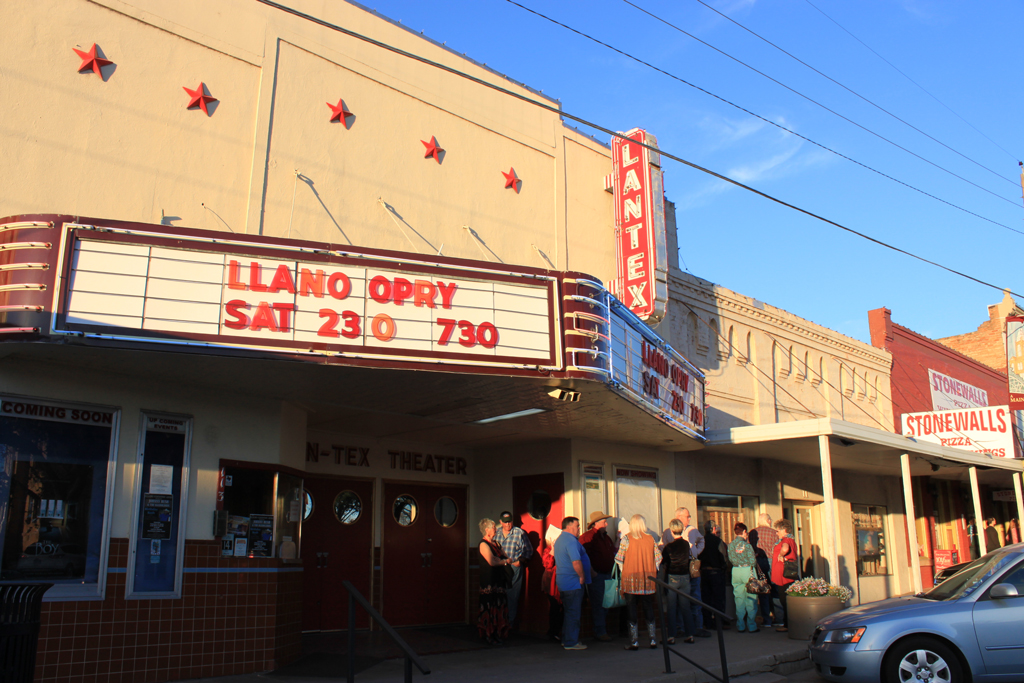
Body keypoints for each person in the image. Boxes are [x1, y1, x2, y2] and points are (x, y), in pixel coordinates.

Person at [615, 514, 663, 650]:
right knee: (648, 607)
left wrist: (625, 570)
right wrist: (652, 569)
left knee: (631, 608)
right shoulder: (650, 539)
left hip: (630, 580)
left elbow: (619, 559)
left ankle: (634, 641)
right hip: (648, 580)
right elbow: (658, 558)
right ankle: (653, 639)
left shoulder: (626, 538)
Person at [661, 507, 709, 637]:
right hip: (676, 570)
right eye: (687, 516)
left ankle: (696, 627)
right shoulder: (668, 532)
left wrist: (696, 552)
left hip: (691, 566)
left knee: (695, 597)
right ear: (679, 517)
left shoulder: (692, 530)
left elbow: (702, 540)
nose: (689, 519)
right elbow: (663, 547)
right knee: (678, 602)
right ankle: (680, 628)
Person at [579, 510, 616, 641]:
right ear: (596, 523)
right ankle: (600, 631)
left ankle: (602, 630)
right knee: (599, 604)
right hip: (597, 576)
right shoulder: (588, 537)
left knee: (606, 603)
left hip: (607, 576)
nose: (606, 524)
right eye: (604, 522)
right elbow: (583, 556)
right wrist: (591, 571)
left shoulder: (606, 538)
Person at [553, 516, 588, 650]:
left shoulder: (560, 540)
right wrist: (582, 576)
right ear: (568, 526)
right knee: (573, 612)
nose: (579, 529)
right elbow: (576, 561)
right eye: (577, 526)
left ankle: (566, 639)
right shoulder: (571, 541)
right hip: (573, 582)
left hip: (564, 582)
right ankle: (571, 642)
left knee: (568, 612)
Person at [494, 510, 533, 628]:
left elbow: (529, 550)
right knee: (499, 595)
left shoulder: (519, 533)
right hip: (500, 567)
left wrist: (519, 562)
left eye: (509, 522)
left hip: (514, 568)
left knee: (512, 596)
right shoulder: (497, 533)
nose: (507, 524)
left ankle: (509, 624)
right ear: (500, 522)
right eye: (505, 522)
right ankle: (499, 622)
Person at [477, 518, 513, 644]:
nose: (496, 529)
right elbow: (492, 561)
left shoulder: (497, 544)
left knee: (499, 605)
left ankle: (499, 633)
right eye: (493, 527)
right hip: (489, 582)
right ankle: (488, 634)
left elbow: (506, 557)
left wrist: (502, 561)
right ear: (487, 530)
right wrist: (503, 562)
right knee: (489, 606)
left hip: (499, 581)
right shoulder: (483, 544)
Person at [661, 519, 696, 644]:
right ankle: (690, 634)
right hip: (685, 577)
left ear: (671, 531)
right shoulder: (686, 544)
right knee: (685, 607)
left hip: (672, 577)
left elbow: (663, 562)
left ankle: (671, 636)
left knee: (671, 608)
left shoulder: (669, 547)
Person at [727, 522, 758, 633]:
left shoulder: (730, 545)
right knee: (751, 597)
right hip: (747, 570)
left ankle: (740, 624)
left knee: (738, 598)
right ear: (744, 532)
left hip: (735, 570)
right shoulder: (747, 545)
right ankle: (751, 625)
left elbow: (730, 559)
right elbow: (753, 562)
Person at [699, 520, 729, 630]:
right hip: (716, 572)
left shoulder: (701, 541)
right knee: (718, 599)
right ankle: (718, 623)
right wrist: (724, 568)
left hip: (704, 572)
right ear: (714, 529)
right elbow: (723, 557)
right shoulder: (717, 541)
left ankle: (707, 622)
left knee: (706, 598)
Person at [751, 513, 779, 627]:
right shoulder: (774, 533)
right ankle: (779, 618)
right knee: (775, 589)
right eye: (770, 520)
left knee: (763, 590)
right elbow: (777, 548)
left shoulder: (753, 532)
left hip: (758, 561)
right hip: (772, 560)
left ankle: (766, 619)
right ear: (768, 521)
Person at [770, 518, 798, 633]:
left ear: (784, 530)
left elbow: (785, 548)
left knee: (784, 599)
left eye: (777, 531)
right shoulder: (790, 539)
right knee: (786, 598)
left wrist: (781, 555)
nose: (776, 533)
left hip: (784, 575)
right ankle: (789, 623)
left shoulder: (786, 539)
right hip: (785, 574)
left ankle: (788, 624)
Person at [540, 524, 563, 642]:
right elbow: (548, 565)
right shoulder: (548, 551)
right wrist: (553, 550)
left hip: (559, 582)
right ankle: (553, 632)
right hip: (551, 583)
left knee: (561, 607)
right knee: (554, 607)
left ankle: (558, 631)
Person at [748, 529, 773, 629]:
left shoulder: (751, 535)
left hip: (753, 569)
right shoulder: (761, 551)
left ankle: (759, 620)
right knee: (769, 595)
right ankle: (772, 619)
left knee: (756, 595)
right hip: (766, 568)